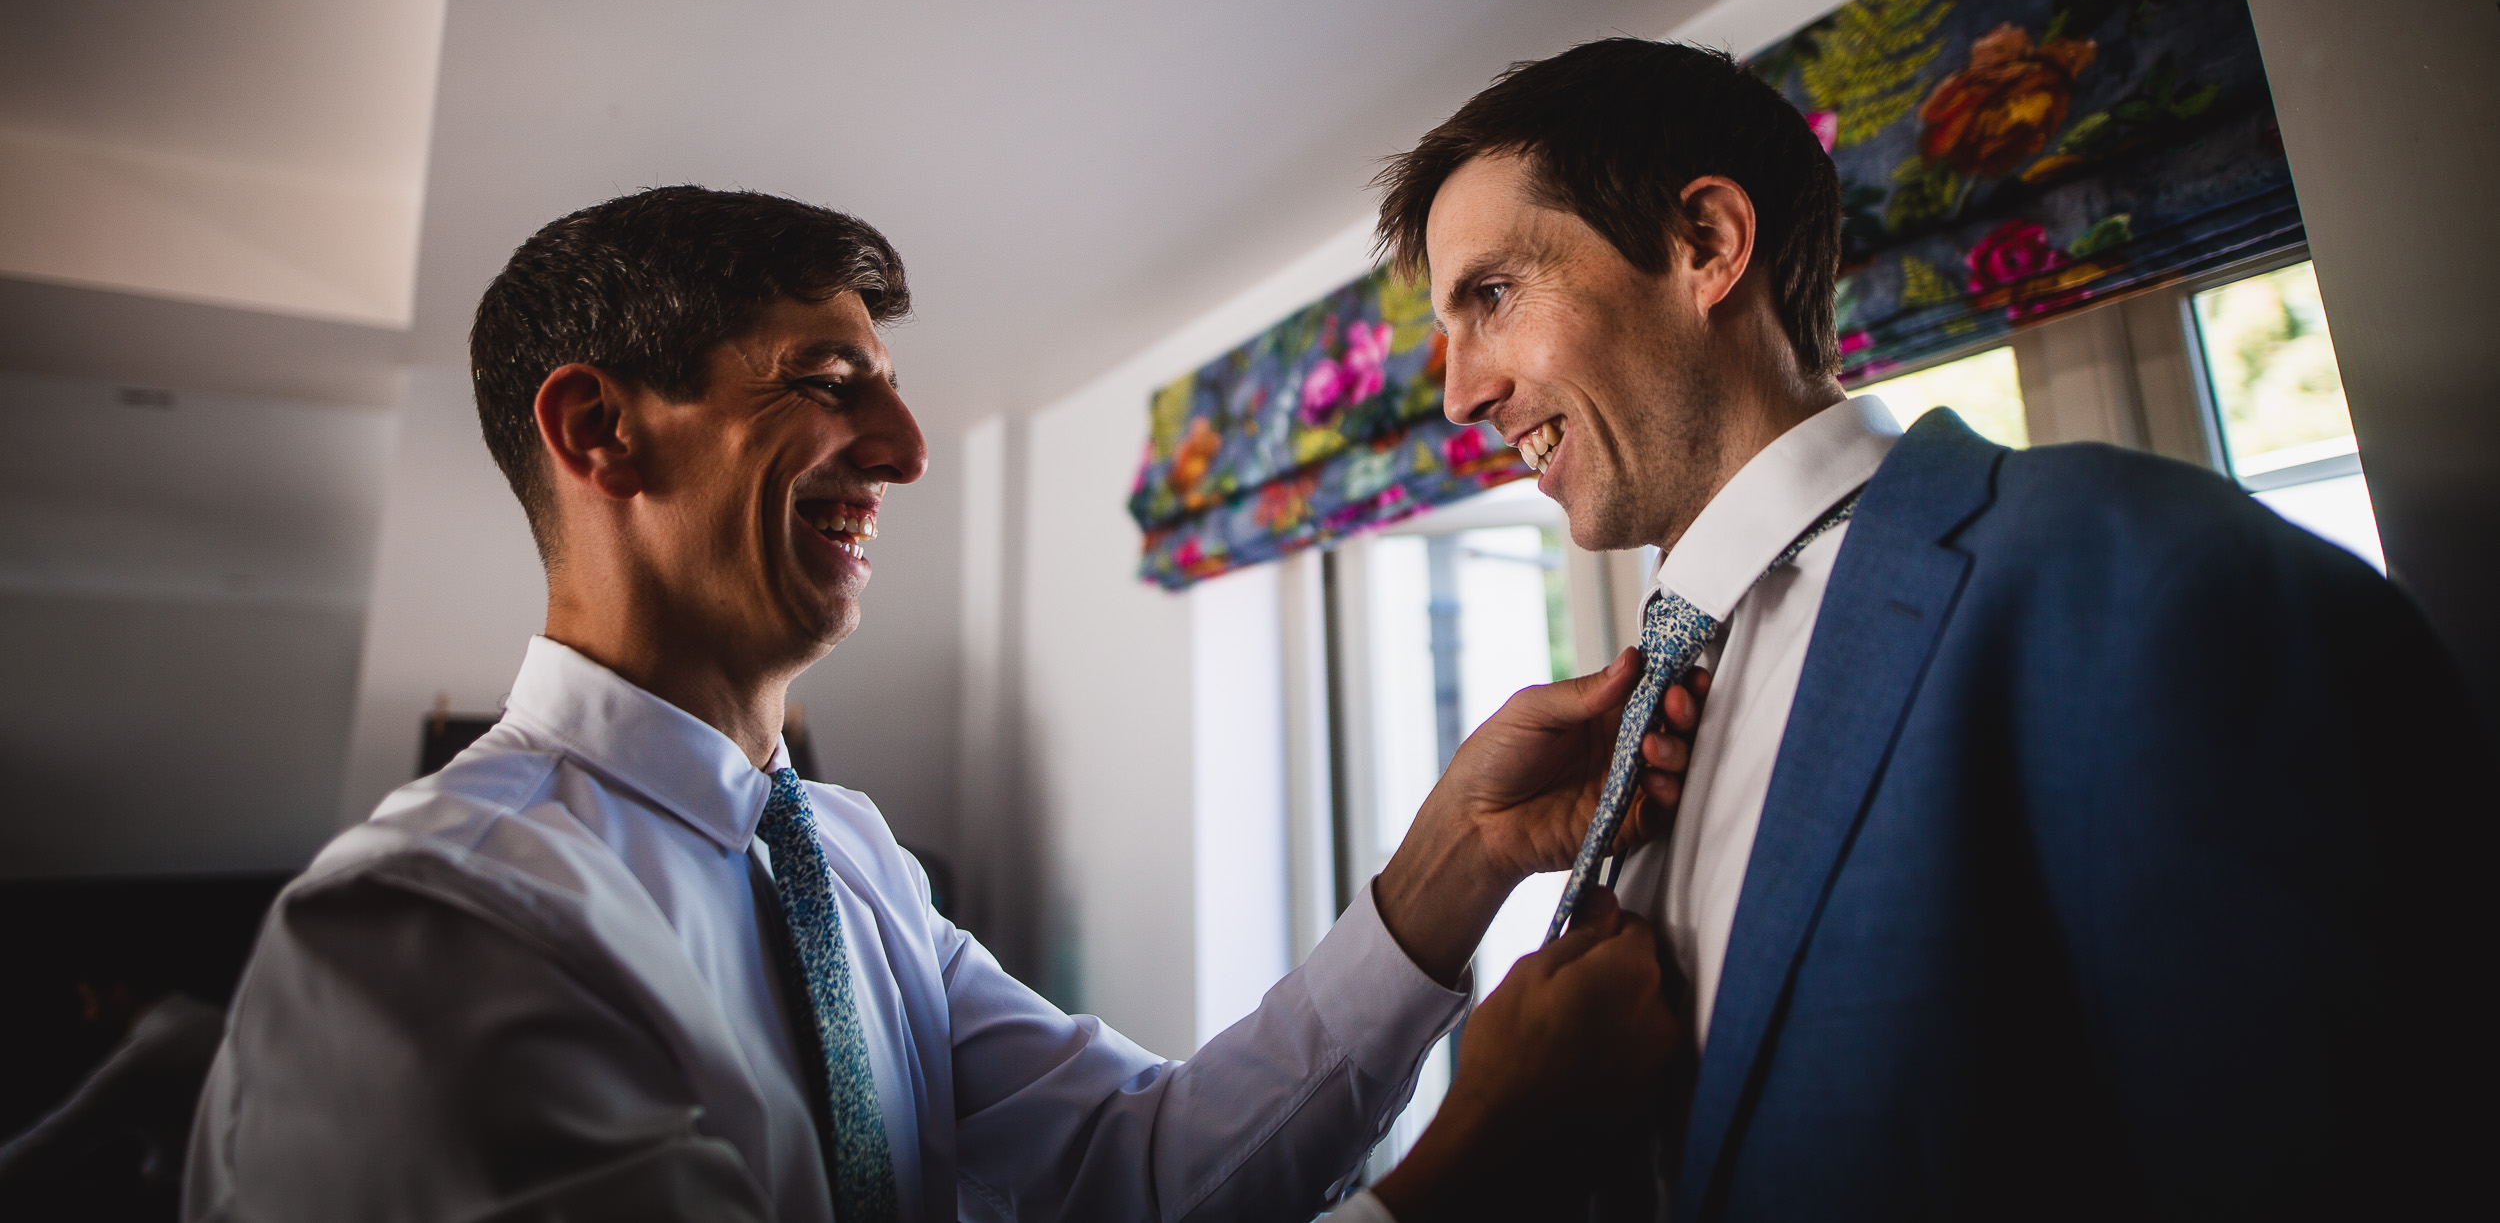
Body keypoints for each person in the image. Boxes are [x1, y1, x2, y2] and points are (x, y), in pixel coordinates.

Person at [186, 186, 1692, 1223]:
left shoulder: (845, 859)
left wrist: (1452, 865)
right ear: (600, 429)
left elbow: (1140, 1167)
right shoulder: (429, 932)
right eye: (830, 380)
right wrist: (1481, 1155)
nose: (905, 450)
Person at [1373, 38, 2499, 1220]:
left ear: (1703, 245)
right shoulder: (1627, 724)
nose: (1459, 394)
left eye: (1491, 295)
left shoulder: (2143, 580)